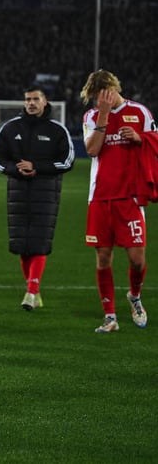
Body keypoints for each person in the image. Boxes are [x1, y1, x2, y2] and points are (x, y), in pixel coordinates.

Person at [80, 69, 154, 333]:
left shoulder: (141, 113)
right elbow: (92, 150)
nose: (98, 100)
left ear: (113, 89)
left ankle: (134, 296)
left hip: (130, 198)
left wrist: (139, 138)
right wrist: (102, 115)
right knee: (103, 258)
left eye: (101, 95)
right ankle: (110, 316)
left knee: (137, 259)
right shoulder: (91, 115)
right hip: (100, 198)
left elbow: (156, 141)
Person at [0, 85, 75, 310]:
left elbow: (67, 161)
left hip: (46, 192)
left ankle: (31, 292)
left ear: (45, 101)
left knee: (39, 242)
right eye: (27, 99)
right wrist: (15, 169)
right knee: (22, 245)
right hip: (17, 192)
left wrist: (37, 167)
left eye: (36, 99)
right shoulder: (10, 128)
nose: (31, 103)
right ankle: (33, 292)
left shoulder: (57, 130)